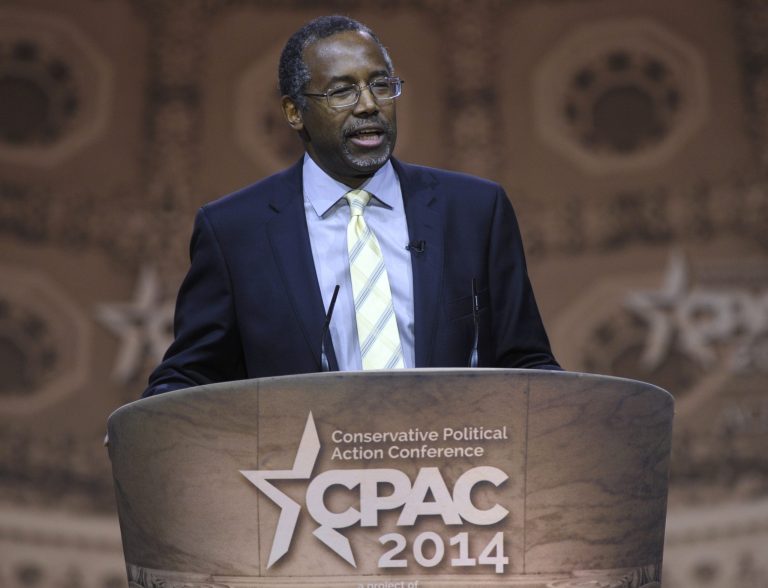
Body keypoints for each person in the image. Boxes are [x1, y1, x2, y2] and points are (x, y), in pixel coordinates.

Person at [142, 15, 559, 398]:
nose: (368, 105)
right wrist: (148, 427)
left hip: (459, 469)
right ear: (294, 112)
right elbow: (190, 375)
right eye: (342, 91)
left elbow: (528, 363)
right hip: (304, 472)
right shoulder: (234, 232)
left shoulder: (475, 212)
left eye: (380, 85)